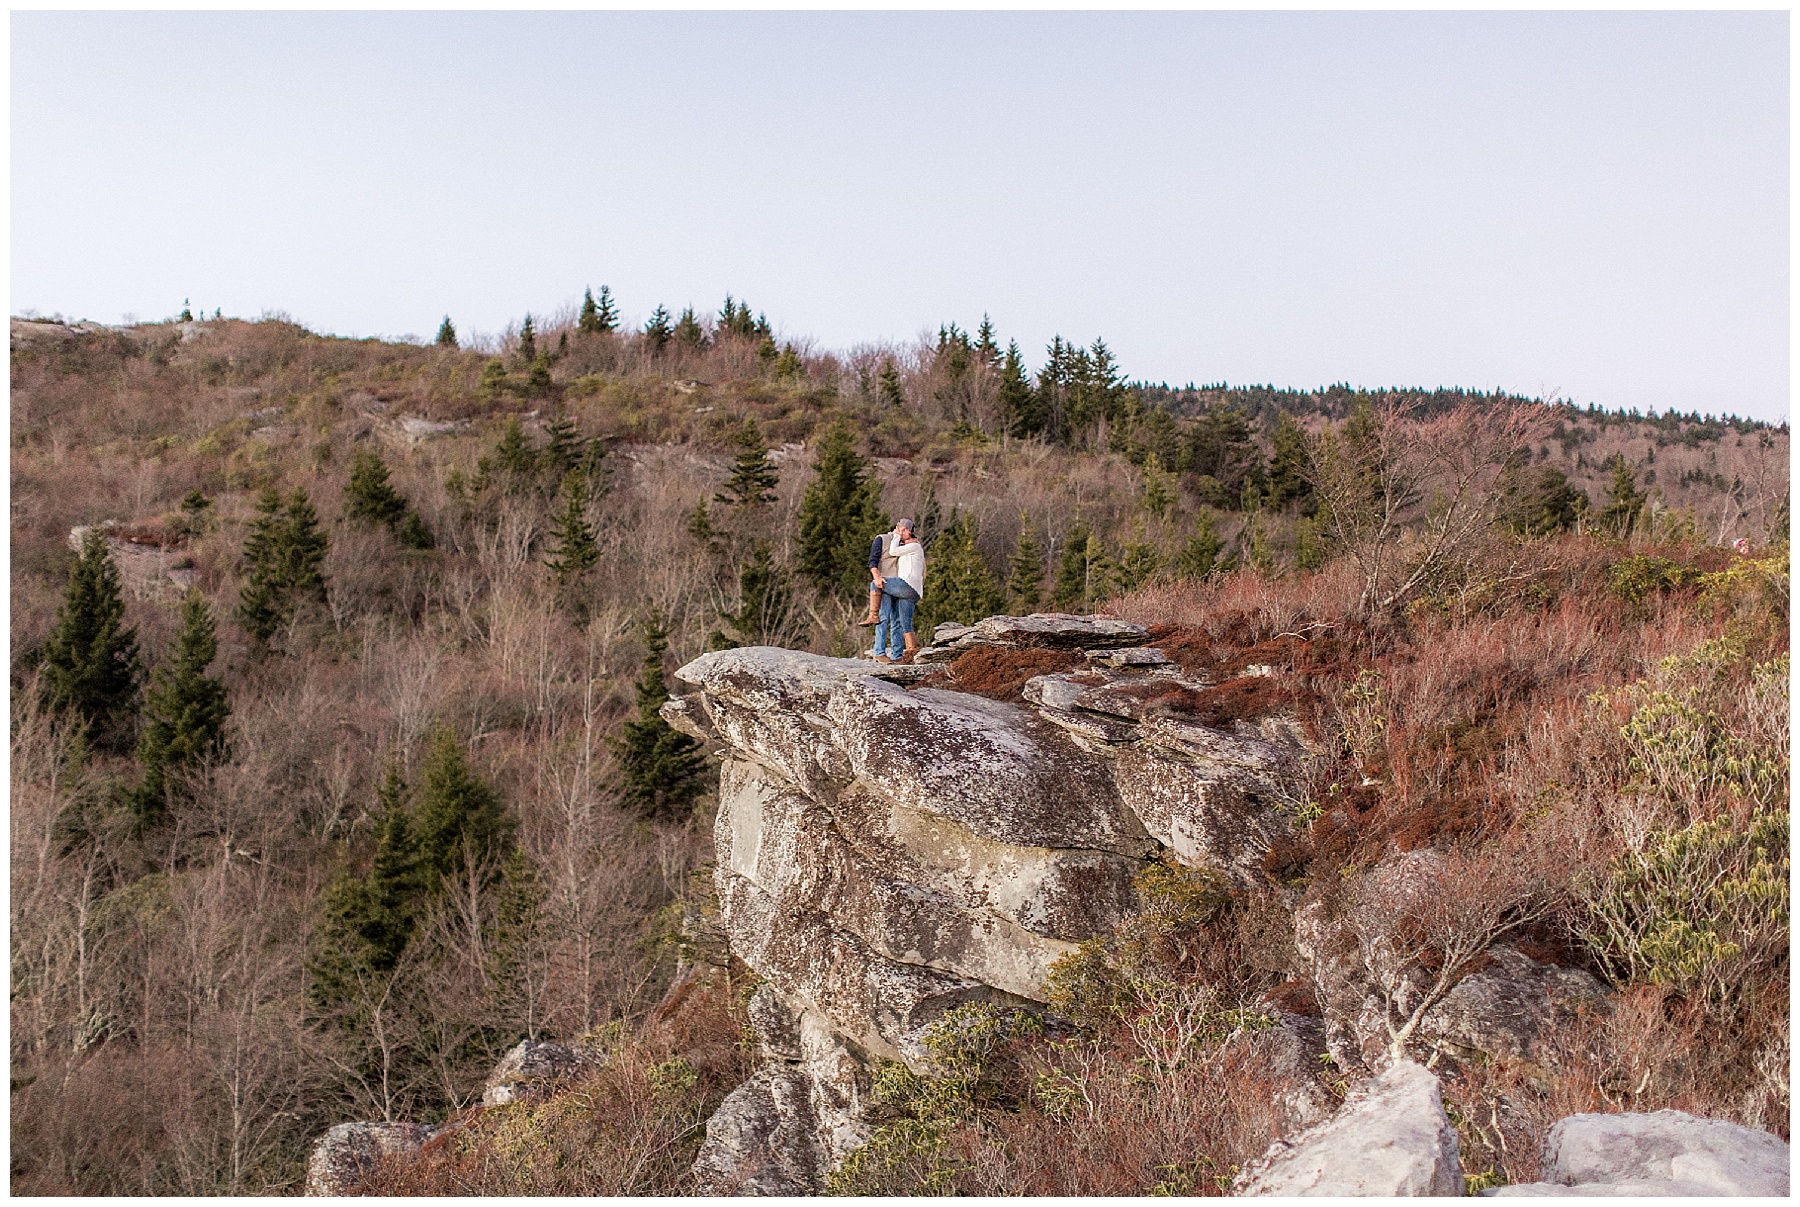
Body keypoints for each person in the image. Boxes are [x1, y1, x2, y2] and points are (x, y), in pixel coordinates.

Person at [860, 519, 925, 663]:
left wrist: (897, 536)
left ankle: (873, 616)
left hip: (901, 585)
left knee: (895, 620)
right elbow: (873, 560)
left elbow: (895, 552)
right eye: (907, 532)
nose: (908, 536)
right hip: (894, 586)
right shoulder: (882, 539)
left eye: (910, 534)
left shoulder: (911, 545)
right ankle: (891, 654)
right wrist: (877, 575)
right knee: (896, 621)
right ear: (901, 528)